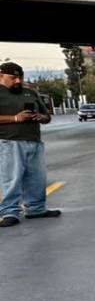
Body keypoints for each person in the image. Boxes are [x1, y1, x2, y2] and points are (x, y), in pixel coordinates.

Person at [0, 61, 61, 227]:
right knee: (11, 179)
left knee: (37, 178)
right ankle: (9, 212)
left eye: (20, 77)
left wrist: (41, 117)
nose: (18, 81)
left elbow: (47, 116)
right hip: (9, 142)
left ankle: (36, 209)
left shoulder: (30, 92)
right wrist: (15, 118)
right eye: (13, 78)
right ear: (1, 76)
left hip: (34, 141)